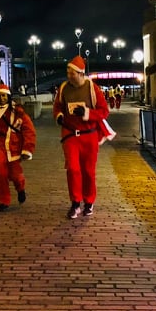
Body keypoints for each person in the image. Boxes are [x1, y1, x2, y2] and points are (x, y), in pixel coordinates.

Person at [53, 55, 115, 219]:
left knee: (88, 171)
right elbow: (57, 106)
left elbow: (104, 111)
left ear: (80, 73)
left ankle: (89, 201)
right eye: (67, 71)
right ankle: (75, 203)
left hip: (89, 135)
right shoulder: (64, 88)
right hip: (70, 134)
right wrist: (59, 115)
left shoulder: (92, 88)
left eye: (71, 72)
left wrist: (87, 113)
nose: (68, 74)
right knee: (73, 169)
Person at [0, 83, 36, 212]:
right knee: (1, 173)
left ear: (8, 96)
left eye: (4, 95)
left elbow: (29, 130)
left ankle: (20, 188)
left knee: (16, 175)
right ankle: (4, 200)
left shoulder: (18, 111)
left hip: (14, 146)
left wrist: (28, 149)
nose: (1, 98)